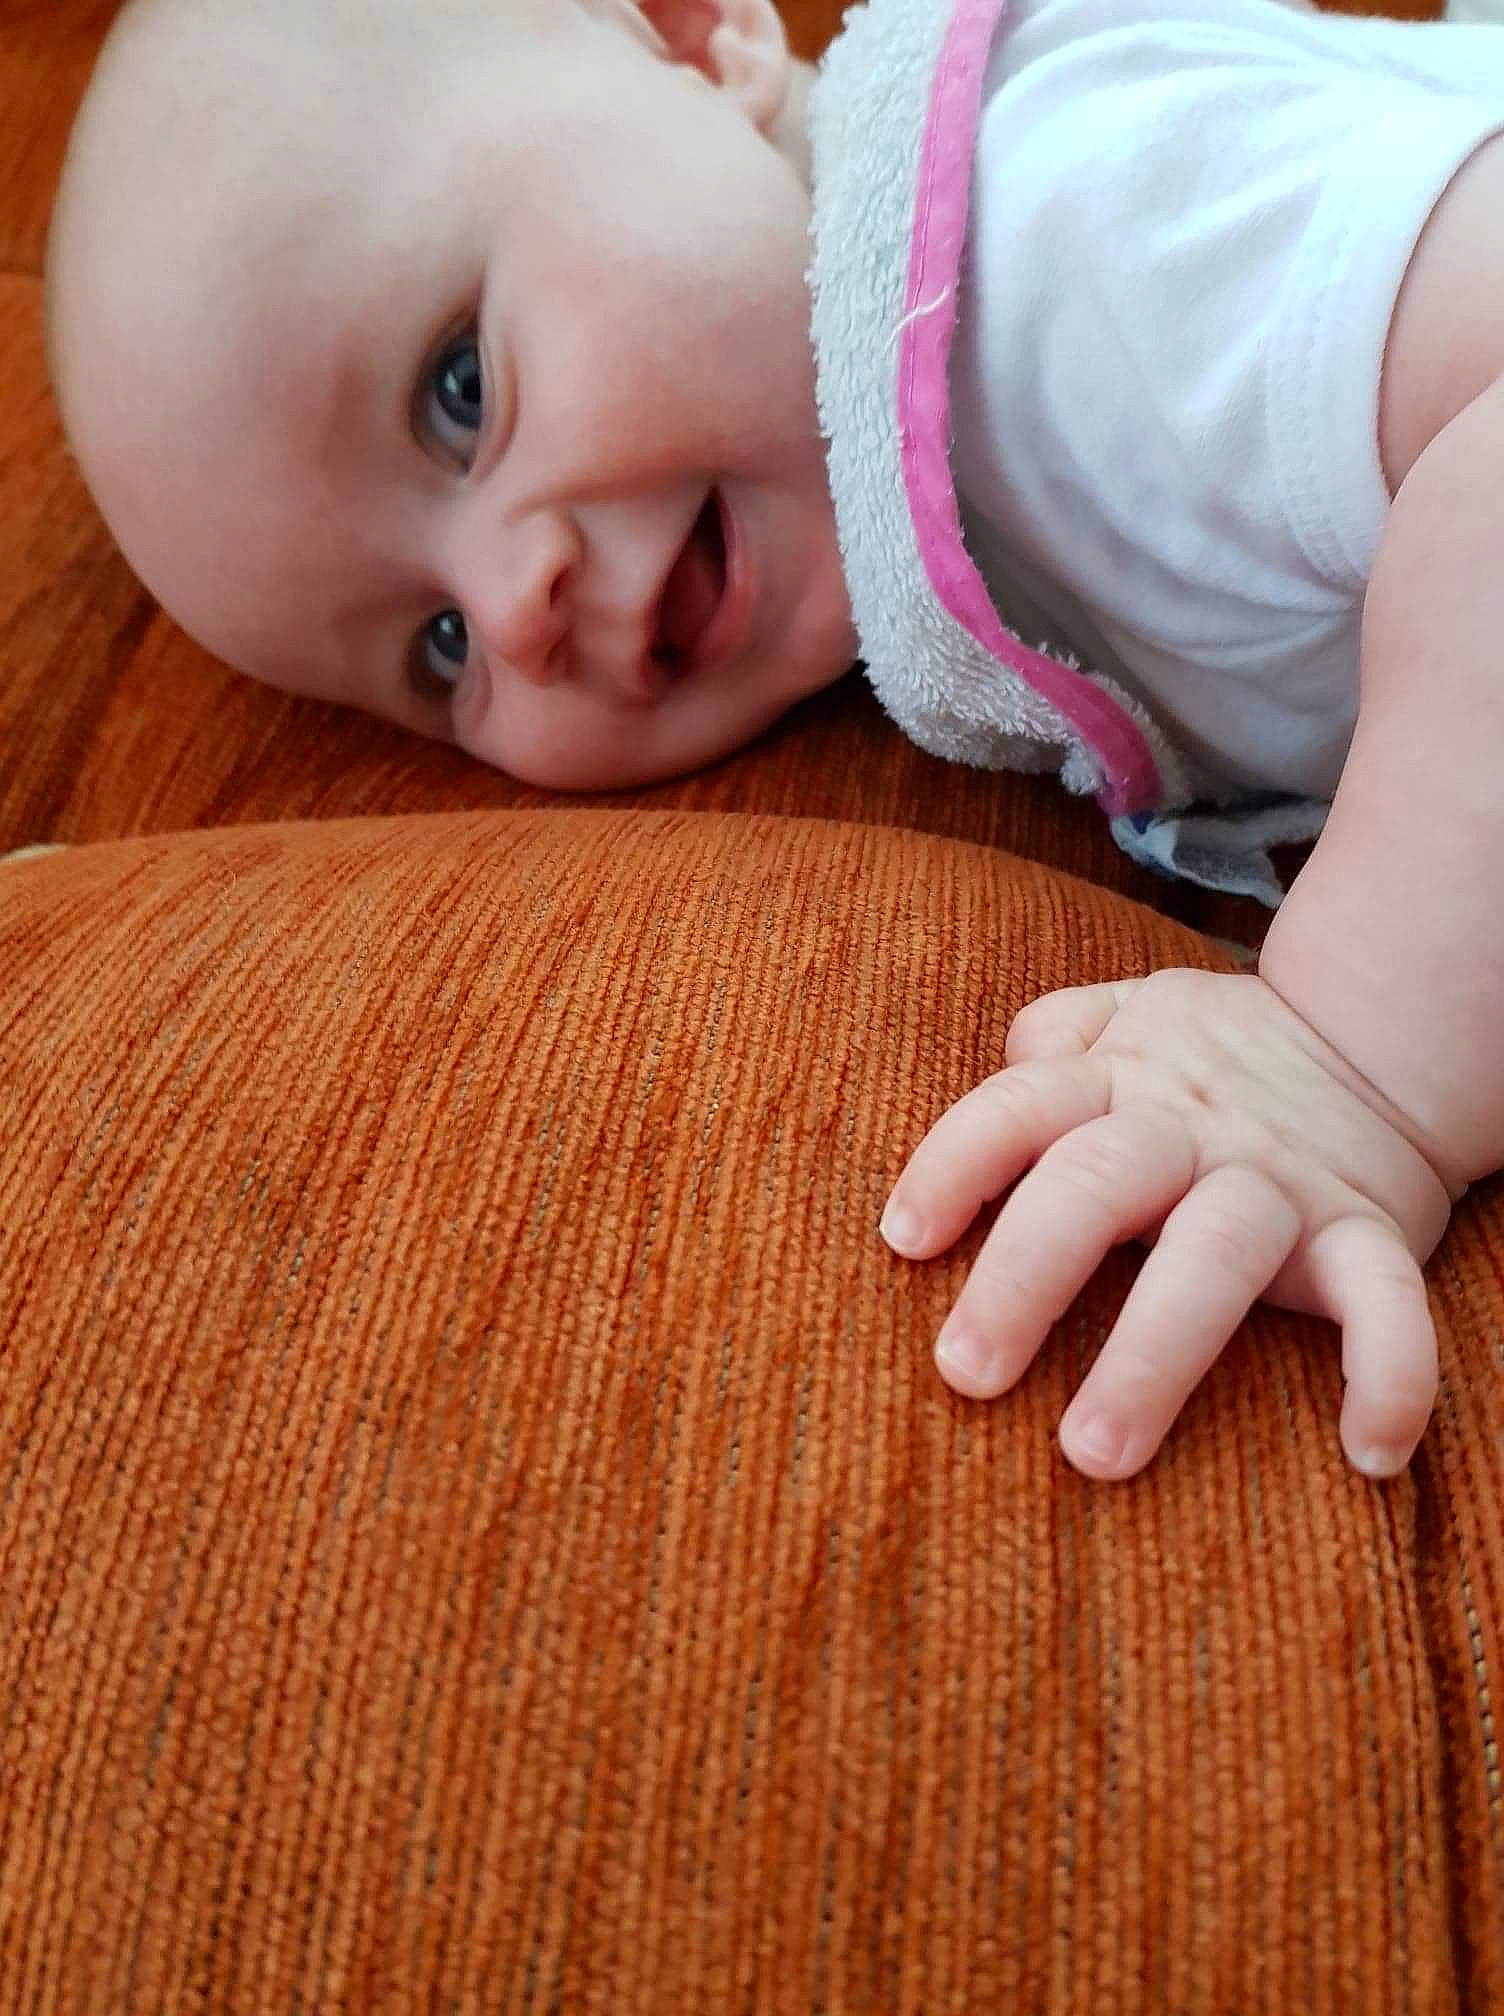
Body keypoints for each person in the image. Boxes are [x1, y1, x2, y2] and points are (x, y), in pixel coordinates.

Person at [45, 0, 1504, 1484]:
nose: (511, 602)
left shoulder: (1073, 246)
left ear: (698, 42)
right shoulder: (898, 513)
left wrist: (1354, 1054)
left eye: (461, 391)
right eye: (439, 650)